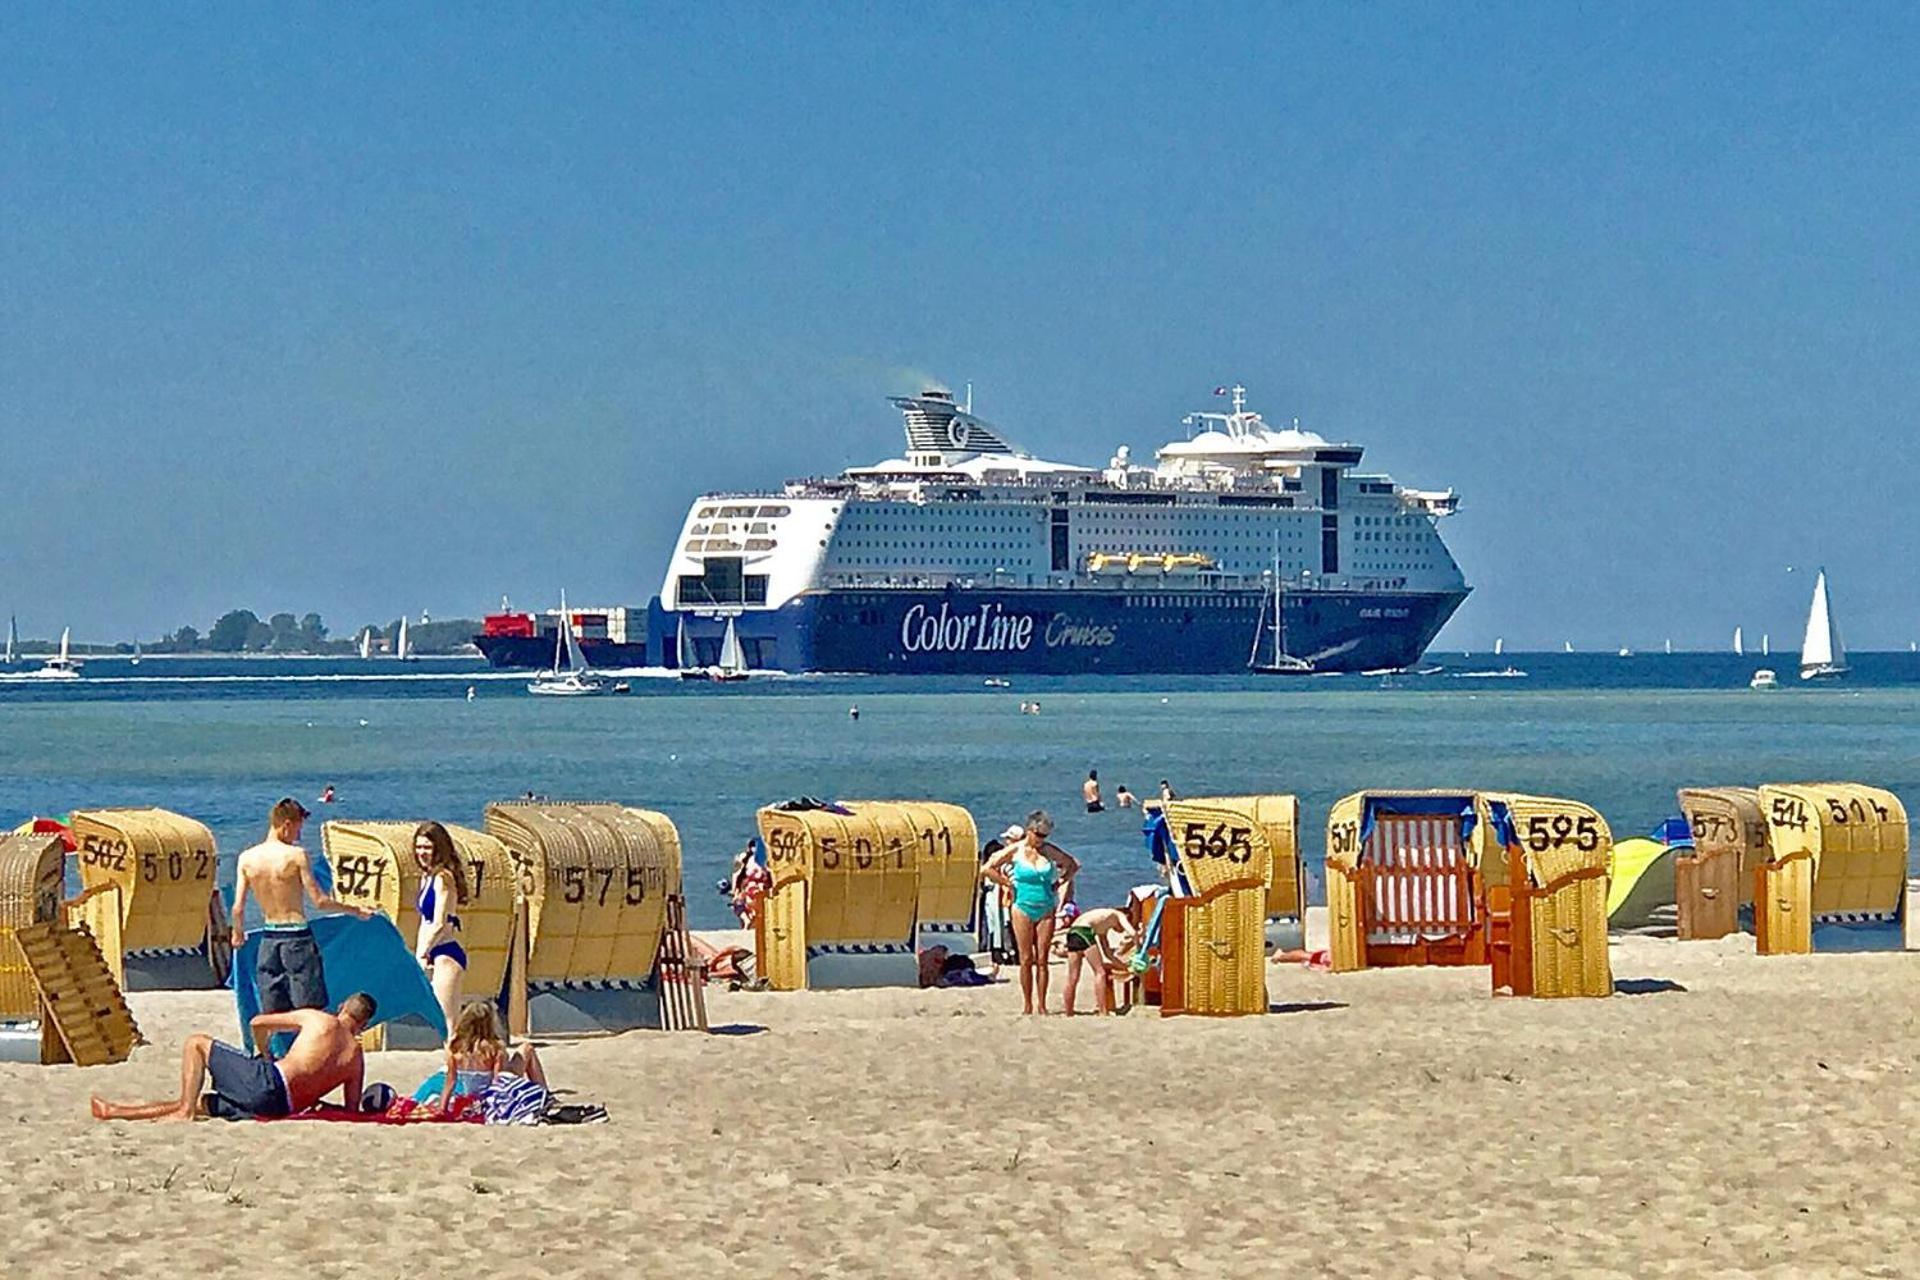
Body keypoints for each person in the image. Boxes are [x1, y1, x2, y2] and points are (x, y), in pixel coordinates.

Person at [91, 994, 378, 1122]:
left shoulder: (319, 1020)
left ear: (342, 1006)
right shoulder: (355, 1056)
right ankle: (117, 1112)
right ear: (363, 1024)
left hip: (271, 1083)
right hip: (280, 1108)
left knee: (196, 1043)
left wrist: (265, 1052)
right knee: (205, 1102)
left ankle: (184, 1113)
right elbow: (351, 1110)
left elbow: (257, 1022)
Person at [230, 798, 373, 1015]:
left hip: (269, 941)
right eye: (298, 828)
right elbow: (320, 901)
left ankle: (274, 1050)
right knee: (310, 1010)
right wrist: (356, 910)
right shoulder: (296, 855)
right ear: (287, 824)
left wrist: (238, 933)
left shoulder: (247, 858)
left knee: (273, 1012)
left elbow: (237, 908)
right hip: (296, 938)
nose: (299, 836)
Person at [981, 810, 1079, 1014]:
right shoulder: (1015, 850)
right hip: (1022, 906)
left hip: (1046, 906)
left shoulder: (1048, 851)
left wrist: (1059, 882)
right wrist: (1007, 883)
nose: (1041, 840)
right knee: (1026, 958)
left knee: (1042, 959)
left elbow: (1072, 864)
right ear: (1030, 831)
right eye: (1039, 835)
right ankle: (1027, 1004)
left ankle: (1042, 1005)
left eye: (1045, 836)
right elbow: (987, 868)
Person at [414, 1000, 547, 1115]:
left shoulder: (454, 1049)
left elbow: (451, 1082)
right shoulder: (494, 1048)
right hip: (487, 1093)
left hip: (469, 1094)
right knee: (527, 1048)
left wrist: (442, 1109)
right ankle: (544, 1093)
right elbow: (498, 1081)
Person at [412, 821, 470, 1037]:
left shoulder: (443, 878)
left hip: (445, 953)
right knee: (440, 1021)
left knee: (449, 1023)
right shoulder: (426, 877)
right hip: (431, 952)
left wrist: (423, 952)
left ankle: (455, 1068)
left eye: (427, 847)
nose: (422, 852)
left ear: (439, 848)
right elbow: (424, 923)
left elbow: (439, 923)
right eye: (418, 847)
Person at [1061, 906, 1138, 1016]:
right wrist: (1140, 951)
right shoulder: (1118, 914)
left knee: (1072, 976)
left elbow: (1108, 954)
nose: (1120, 931)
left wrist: (1124, 966)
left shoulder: (1103, 925)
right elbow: (1133, 933)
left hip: (1072, 932)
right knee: (1100, 972)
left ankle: (1069, 1012)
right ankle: (1103, 1011)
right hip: (1084, 931)